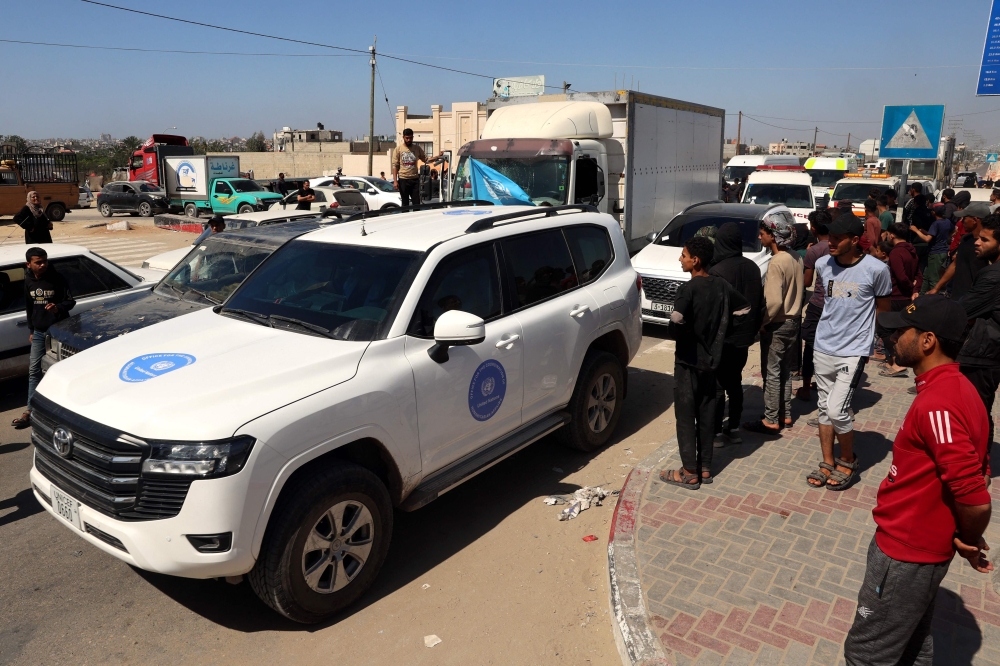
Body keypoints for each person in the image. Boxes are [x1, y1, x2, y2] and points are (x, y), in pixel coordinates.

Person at [844, 295, 991, 665]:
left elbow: (973, 494)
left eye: (903, 331)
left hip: (905, 553)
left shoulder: (939, 402)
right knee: (913, 644)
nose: (894, 339)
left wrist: (970, 537)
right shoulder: (957, 389)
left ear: (928, 340)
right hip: (917, 549)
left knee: (867, 652)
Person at [806, 214, 891, 489]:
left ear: (855, 241)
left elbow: (883, 308)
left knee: (837, 409)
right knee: (823, 408)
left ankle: (848, 459)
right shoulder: (822, 264)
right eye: (830, 237)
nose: (830, 242)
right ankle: (827, 461)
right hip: (822, 345)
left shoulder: (876, 270)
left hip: (853, 350)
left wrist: (875, 343)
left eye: (838, 239)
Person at [659, 236, 749, 489]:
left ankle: (689, 472)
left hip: (688, 363)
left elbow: (676, 319)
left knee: (686, 416)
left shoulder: (688, 289)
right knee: (708, 414)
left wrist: (685, 335)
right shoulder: (722, 286)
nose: (680, 258)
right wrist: (724, 333)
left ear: (695, 260)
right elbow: (744, 309)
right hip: (713, 362)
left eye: (684, 254)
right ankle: (706, 468)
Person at [744, 215, 803, 435]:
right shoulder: (796, 257)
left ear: (774, 236)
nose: (760, 237)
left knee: (772, 373)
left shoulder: (777, 262)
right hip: (794, 321)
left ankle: (770, 419)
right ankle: (785, 413)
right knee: (785, 370)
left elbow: (774, 301)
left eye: (763, 233)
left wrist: (762, 322)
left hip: (778, 324)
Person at [710, 223, 763, 446]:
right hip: (744, 339)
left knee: (718, 386)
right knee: (735, 382)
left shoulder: (717, 271)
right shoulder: (753, 267)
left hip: (724, 340)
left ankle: (716, 433)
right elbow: (759, 304)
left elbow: (714, 311)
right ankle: (734, 428)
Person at [12, 247, 75, 428]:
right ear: (28, 264)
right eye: (38, 262)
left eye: (44, 261)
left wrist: (58, 308)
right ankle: (30, 410)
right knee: (34, 370)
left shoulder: (57, 278)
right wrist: (31, 330)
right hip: (39, 332)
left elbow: (70, 301)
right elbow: (29, 306)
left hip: (59, 331)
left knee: (62, 370)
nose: (42, 265)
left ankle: (66, 410)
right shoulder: (28, 280)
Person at [956, 213, 1000, 446]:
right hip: (987, 351)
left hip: (984, 354)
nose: (977, 242)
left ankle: (979, 465)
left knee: (977, 410)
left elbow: (962, 310)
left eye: (985, 240)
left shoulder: (993, 276)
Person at [797, 210, 831, 402]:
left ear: (813, 228)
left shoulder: (814, 251)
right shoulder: (838, 246)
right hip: (836, 304)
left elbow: (808, 282)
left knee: (810, 346)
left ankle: (805, 387)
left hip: (818, 304)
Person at [877, 223, 918, 377]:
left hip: (894, 295)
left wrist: (908, 287)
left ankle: (897, 362)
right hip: (906, 297)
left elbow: (901, 277)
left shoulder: (896, 253)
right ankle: (892, 360)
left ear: (892, 235)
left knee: (883, 328)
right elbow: (919, 275)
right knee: (896, 329)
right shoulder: (912, 251)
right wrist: (914, 289)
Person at [928, 201, 991, 300]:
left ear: (975, 220)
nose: (961, 221)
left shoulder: (990, 245)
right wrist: (937, 287)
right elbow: (955, 264)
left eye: (965, 218)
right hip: (958, 295)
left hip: (976, 299)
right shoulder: (966, 239)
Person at [393, 128, 443, 208]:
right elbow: (395, 165)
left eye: (411, 138)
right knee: (405, 204)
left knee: (416, 203)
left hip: (414, 179)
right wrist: (395, 181)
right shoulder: (398, 149)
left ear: (413, 137)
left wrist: (438, 156)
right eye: (407, 138)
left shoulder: (417, 148)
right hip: (403, 179)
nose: (409, 140)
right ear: (403, 137)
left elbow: (426, 160)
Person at [911, 203, 954, 294]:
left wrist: (915, 230)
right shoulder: (947, 221)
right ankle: (921, 296)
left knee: (933, 278)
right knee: (926, 276)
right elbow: (952, 231)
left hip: (935, 253)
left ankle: (934, 299)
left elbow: (927, 239)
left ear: (934, 212)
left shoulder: (936, 223)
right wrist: (925, 232)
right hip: (942, 251)